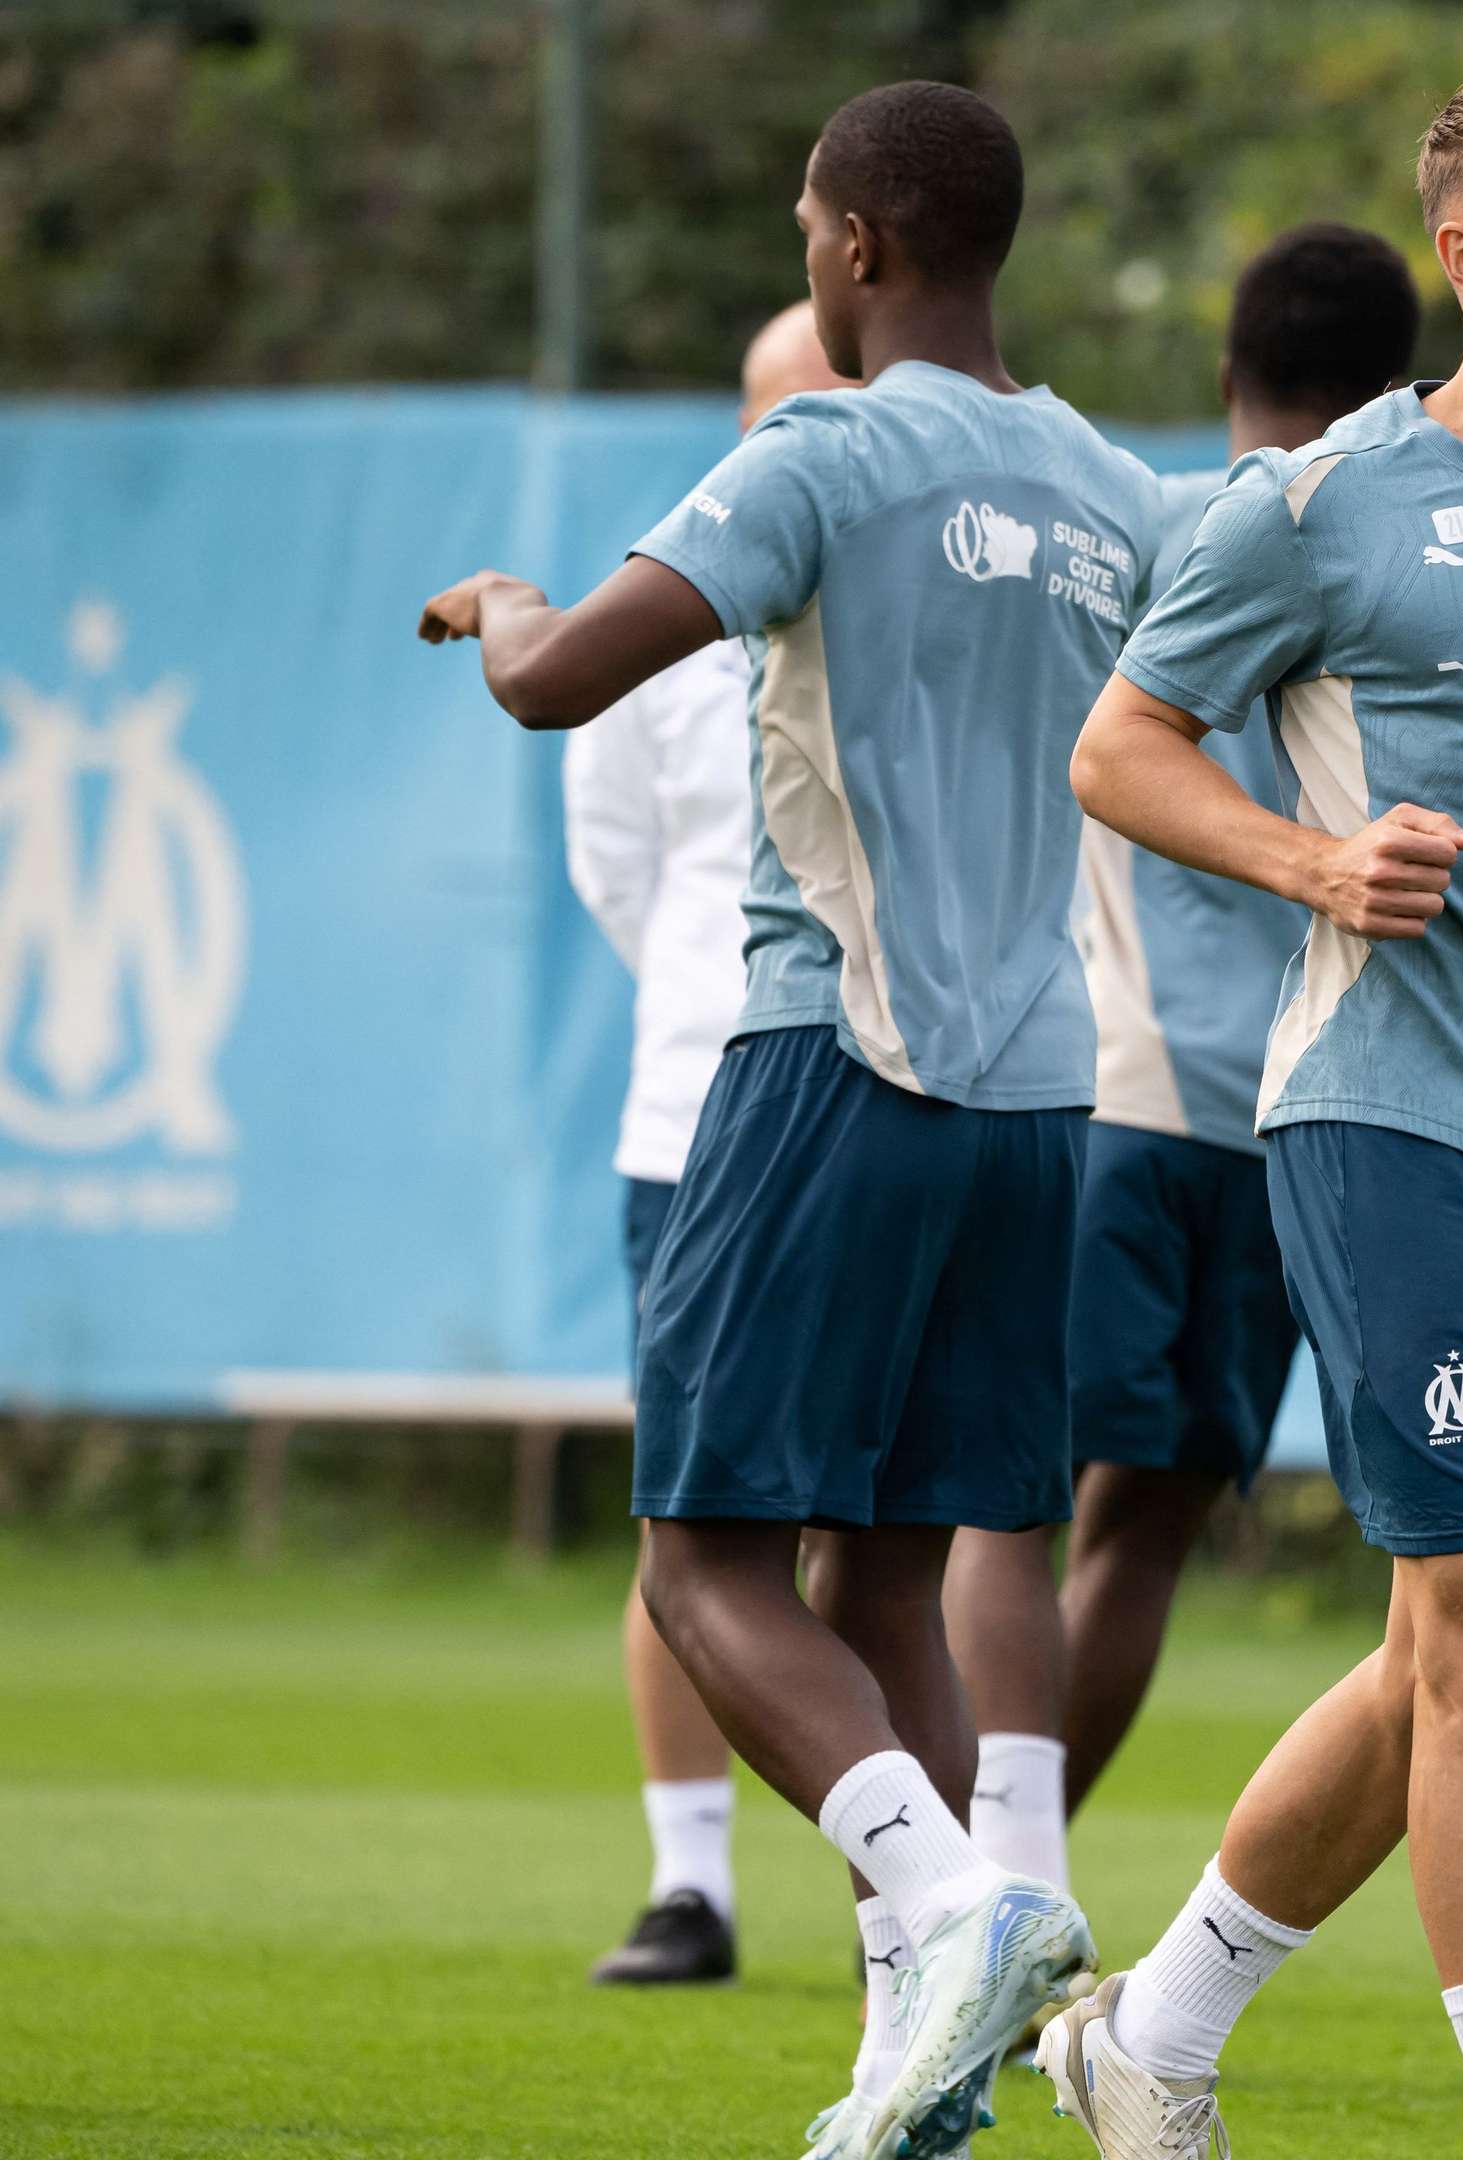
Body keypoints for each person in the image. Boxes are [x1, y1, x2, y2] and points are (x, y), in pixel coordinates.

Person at [417, 79, 1161, 2160]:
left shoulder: (819, 449)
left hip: (832, 1061)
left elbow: (564, 682)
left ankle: (957, 1905)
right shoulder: (1114, 487)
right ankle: (909, 2064)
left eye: (808, 234)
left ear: (856, 246)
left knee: (703, 1565)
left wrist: (497, 608)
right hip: (1038, 1103)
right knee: (893, 1582)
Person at [1030, 69, 1463, 2160]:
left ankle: (1149, 2033)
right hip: (1378, 1113)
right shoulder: (1319, 505)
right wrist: (1308, 863)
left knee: (1448, 1645)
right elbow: (1119, 749)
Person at [940, 222, 1424, 1893]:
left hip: (1121, 1098)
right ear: (1408, 384)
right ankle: (1012, 1893)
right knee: (1137, 1542)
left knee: (1009, 1509)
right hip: (1296, 1119)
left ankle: (978, 1906)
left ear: (1230, 378)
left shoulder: (1173, 525)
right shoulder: (1423, 561)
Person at [564, 298, 853, 1988]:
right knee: (694, 1519)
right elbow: (622, 869)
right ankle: (692, 1887)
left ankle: (917, 1894)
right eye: (783, 416)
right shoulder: (661, 612)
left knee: (890, 1521)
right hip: (696, 1115)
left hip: (891, 1102)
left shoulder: (937, 591)